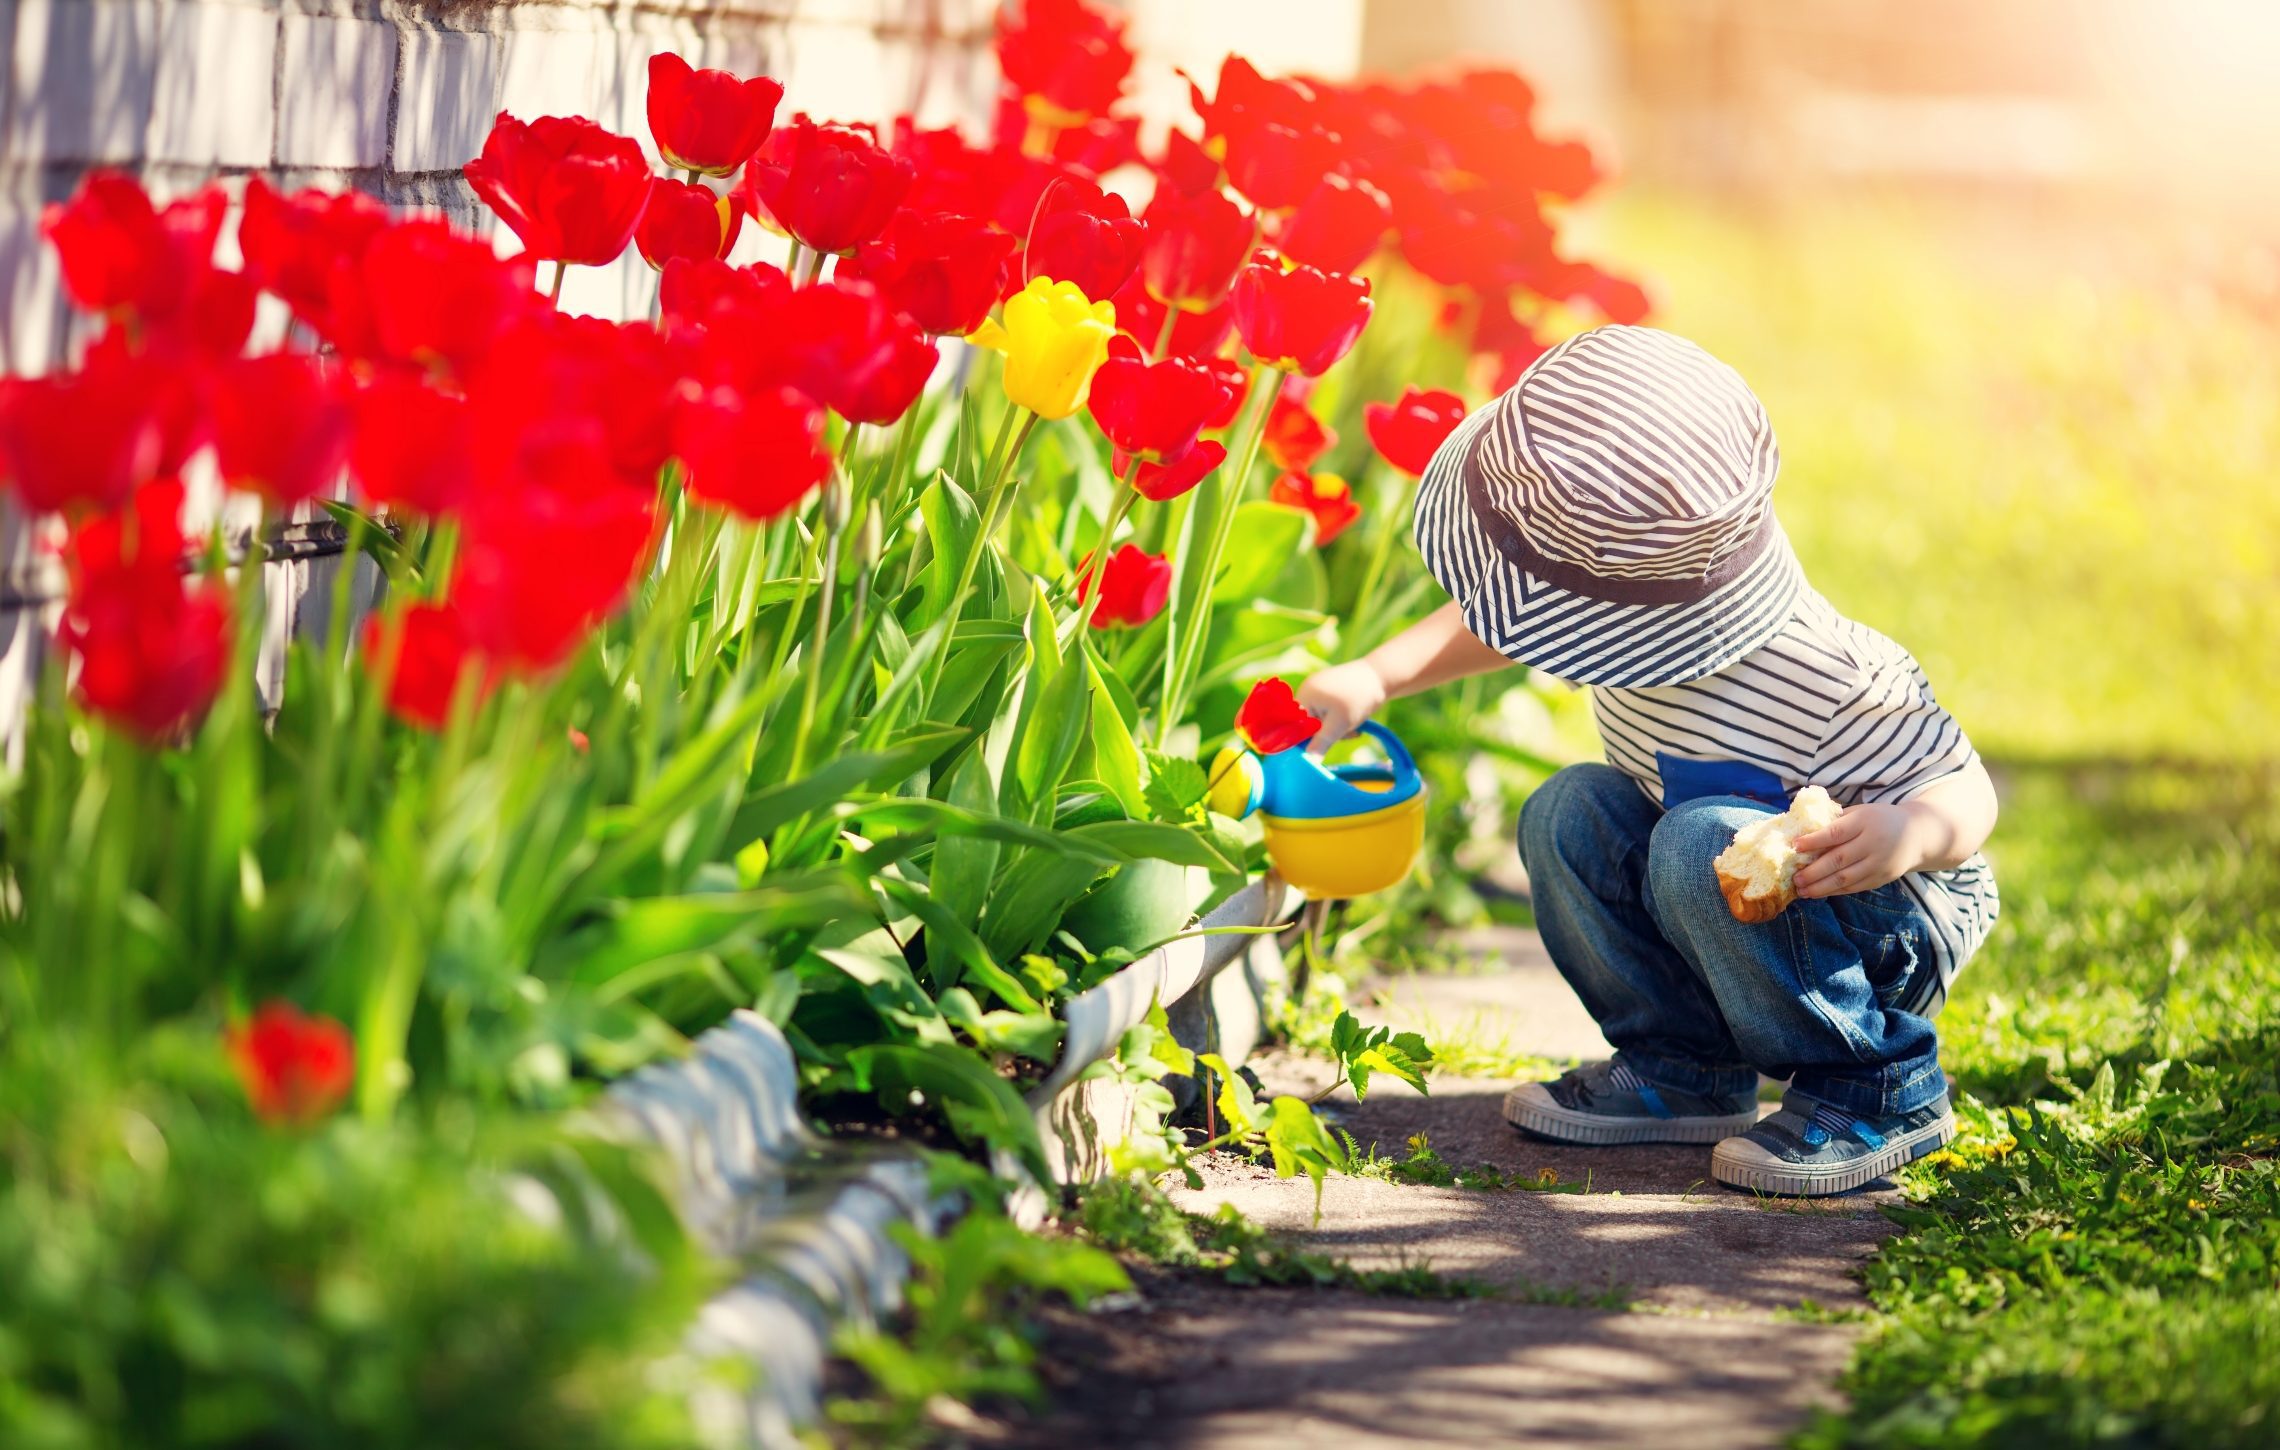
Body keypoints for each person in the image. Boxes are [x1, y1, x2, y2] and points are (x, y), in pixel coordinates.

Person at [1298, 325, 1998, 1197]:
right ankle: (1685, 1066)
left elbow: (1964, 786)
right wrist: (1375, 674)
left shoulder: (1827, 673)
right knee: (1569, 811)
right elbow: (1504, 620)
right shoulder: (1625, 603)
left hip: (1882, 919)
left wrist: (1910, 831)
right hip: (1713, 896)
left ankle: (1881, 1083)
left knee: (1697, 838)